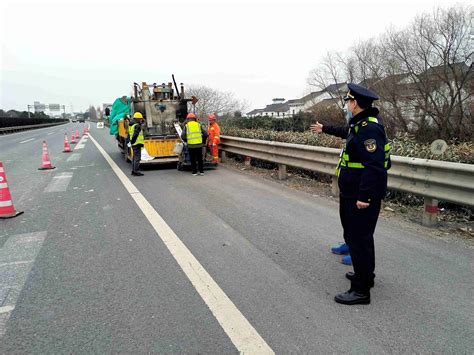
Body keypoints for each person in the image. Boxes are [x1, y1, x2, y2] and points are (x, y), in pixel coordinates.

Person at [310, 83, 391, 305]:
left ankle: (361, 291)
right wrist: (325, 128)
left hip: (360, 195)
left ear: (355, 103)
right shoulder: (360, 125)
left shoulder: (369, 129)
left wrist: (364, 197)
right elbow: (347, 133)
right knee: (357, 237)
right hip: (352, 191)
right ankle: (365, 276)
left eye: (348, 101)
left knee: (360, 240)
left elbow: (374, 167)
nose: (347, 105)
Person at [129, 112, 145, 176]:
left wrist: (131, 142)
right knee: (137, 158)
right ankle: (136, 171)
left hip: (134, 144)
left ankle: (133, 170)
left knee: (134, 157)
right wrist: (133, 141)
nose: (141, 120)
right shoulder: (137, 125)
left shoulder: (132, 124)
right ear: (138, 118)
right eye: (140, 119)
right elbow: (135, 134)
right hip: (137, 143)